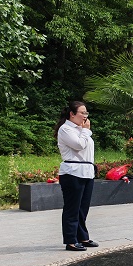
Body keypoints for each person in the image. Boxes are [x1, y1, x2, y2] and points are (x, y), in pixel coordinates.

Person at [55, 101, 98, 252]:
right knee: (72, 208)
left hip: (86, 172)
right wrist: (86, 131)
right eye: (82, 113)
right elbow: (78, 145)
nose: (85, 116)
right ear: (72, 114)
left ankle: (82, 237)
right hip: (72, 172)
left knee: (83, 208)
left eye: (86, 113)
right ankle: (71, 240)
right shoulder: (66, 129)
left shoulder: (82, 129)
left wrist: (84, 131)